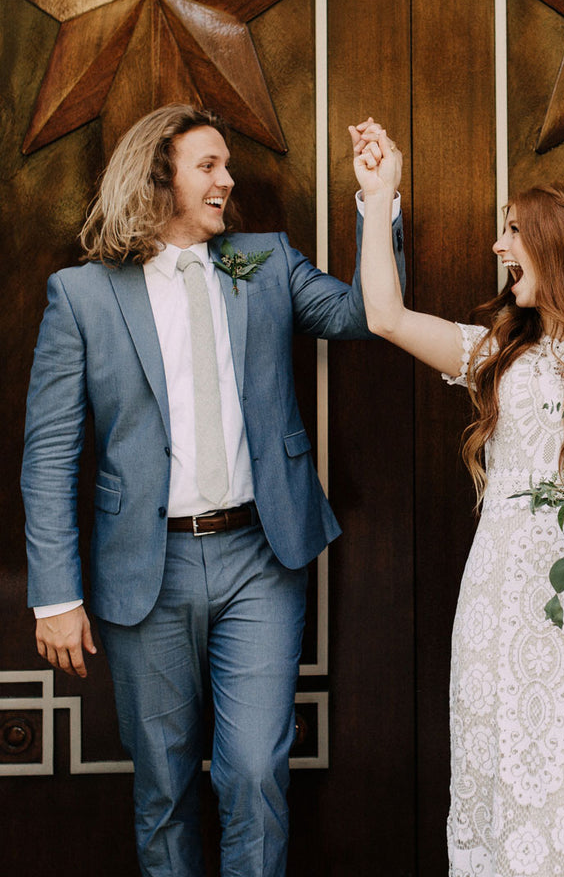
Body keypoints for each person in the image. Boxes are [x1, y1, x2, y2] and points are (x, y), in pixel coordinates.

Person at [21, 105, 404, 877]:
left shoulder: (262, 261)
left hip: (261, 557)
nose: (227, 180)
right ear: (158, 176)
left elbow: (364, 316)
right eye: (208, 166)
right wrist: (55, 596)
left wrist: (378, 200)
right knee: (161, 786)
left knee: (255, 773)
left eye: (226, 165)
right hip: (144, 571)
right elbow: (49, 454)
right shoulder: (83, 296)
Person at [351, 123, 564, 876]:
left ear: (556, 246)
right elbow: (385, 317)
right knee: (496, 800)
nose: (498, 248)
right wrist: (377, 198)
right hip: (497, 614)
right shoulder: (497, 358)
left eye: (511, 232)